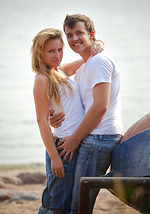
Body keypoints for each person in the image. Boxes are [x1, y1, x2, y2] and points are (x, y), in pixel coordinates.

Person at [50, 14, 123, 213]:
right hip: (90, 137)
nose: (74, 39)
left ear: (91, 34)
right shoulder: (85, 66)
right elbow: (52, 71)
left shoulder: (99, 61)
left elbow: (101, 106)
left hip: (99, 138)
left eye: (79, 33)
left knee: (79, 205)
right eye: (69, 35)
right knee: (76, 201)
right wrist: (53, 116)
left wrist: (74, 139)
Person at [31, 28, 103, 214]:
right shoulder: (42, 78)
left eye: (60, 50)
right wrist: (54, 157)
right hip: (61, 149)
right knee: (59, 204)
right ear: (40, 53)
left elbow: (88, 59)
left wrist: (98, 44)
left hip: (73, 144)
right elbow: (41, 120)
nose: (57, 55)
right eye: (51, 51)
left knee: (64, 199)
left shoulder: (60, 70)